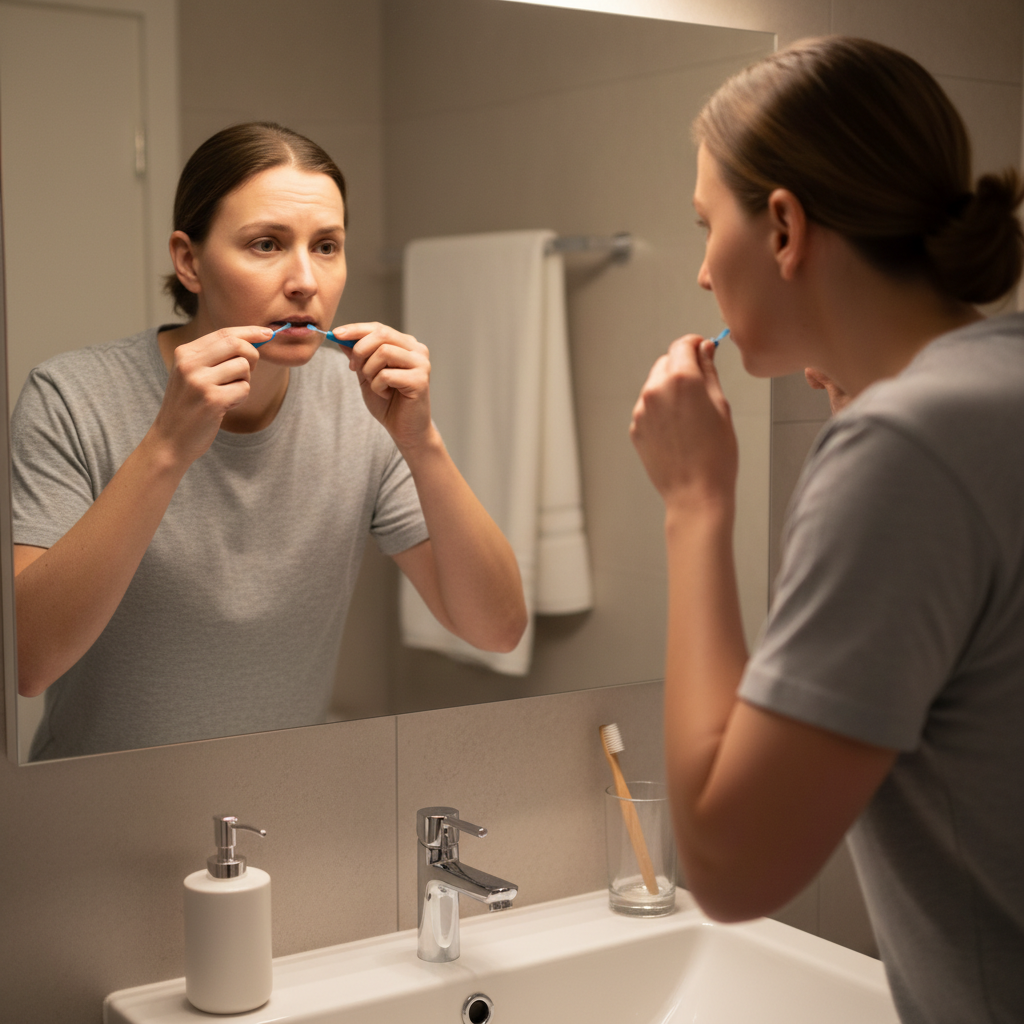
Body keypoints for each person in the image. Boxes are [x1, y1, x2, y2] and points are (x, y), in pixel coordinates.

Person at [630, 37, 1024, 1024]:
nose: (700, 273)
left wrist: (693, 501)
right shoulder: (987, 395)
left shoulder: (907, 446)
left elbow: (726, 868)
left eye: (702, 224)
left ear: (782, 227)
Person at [12, 122, 527, 760]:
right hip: (90, 810)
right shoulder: (71, 397)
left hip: (273, 807)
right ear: (189, 260)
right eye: (266, 244)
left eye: (328, 246)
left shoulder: (363, 408)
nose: (306, 279)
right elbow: (26, 661)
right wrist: (166, 449)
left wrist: (423, 444)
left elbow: (498, 628)